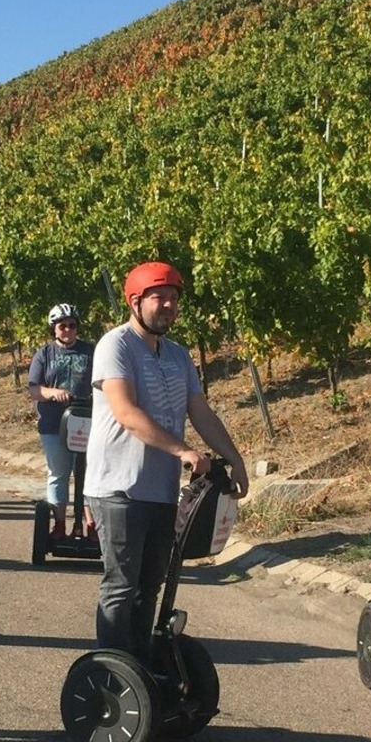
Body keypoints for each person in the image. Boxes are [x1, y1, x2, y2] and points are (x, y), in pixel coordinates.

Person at [84, 261, 248, 656]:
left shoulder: (177, 355)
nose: (169, 305)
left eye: (174, 298)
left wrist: (235, 458)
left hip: (160, 490)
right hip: (118, 488)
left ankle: (139, 665)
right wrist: (183, 451)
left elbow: (200, 411)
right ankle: (111, 671)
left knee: (150, 587)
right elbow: (126, 412)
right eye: (159, 297)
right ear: (135, 301)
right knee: (121, 587)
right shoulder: (116, 345)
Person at [28, 302, 96, 541]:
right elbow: (34, 389)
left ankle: (91, 524)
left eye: (72, 325)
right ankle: (58, 524)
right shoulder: (44, 354)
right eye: (62, 326)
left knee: (88, 475)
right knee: (58, 473)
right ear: (54, 328)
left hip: (86, 422)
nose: (67, 329)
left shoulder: (90, 351)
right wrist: (53, 393)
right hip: (53, 424)